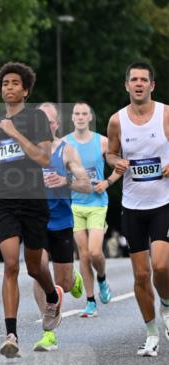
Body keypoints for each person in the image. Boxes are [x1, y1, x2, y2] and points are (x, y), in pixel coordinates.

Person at [0, 61, 63, 358]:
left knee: (33, 266)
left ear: (25, 90)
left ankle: (52, 295)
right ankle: (11, 334)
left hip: (33, 200)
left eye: (15, 83)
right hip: (4, 200)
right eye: (5, 84)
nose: (9, 87)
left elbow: (43, 159)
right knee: (11, 264)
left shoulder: (35, 119)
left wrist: (15, 133)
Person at [105, 61, 169, 356]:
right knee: (142, 276)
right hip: (133, 206)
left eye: (145, 79)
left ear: (152, 85)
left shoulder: (166, 114)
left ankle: (166, 305)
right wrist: (114, 160)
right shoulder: (117, 120)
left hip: (163, 203)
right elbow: (111, 151)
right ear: (127, 85)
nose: (139, 84)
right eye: (134, 79)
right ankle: (152, 333)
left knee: (161, 265)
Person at [32, 102, 91, 351]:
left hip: (62, 223)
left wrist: (65, 181)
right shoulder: (27, 150)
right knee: (38, 269)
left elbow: (86, 184)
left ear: (56, 124)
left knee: (63, 283)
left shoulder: (67, 151)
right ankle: (48, 334)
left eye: (50, 121)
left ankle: (73, 280)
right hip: (35, 220)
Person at [65, 102, 121, 317]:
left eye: (84, 114)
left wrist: (107, 182)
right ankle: (90, 301)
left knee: (95, 251)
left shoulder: (102, 142)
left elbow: (122, 163)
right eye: (76, 113)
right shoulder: (65, 143)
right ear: (72, 118)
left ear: (90, 118)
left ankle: (103, 278)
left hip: (97, 203)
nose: (80, 117)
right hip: (75, 204)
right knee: (84, 254)